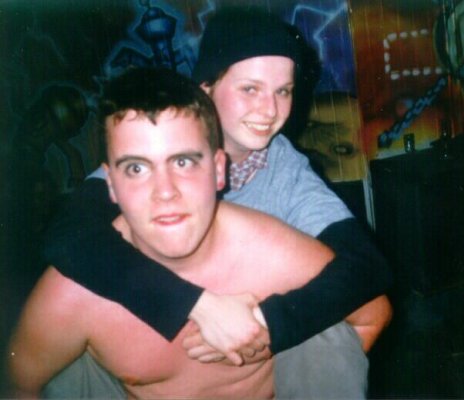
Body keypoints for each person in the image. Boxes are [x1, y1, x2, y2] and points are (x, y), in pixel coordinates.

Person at [42, 7, 393, 398]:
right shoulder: (159, 143)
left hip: (242, 364)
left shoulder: (284, 169)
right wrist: (196, 305)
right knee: (61, 367)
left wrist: (269, 324)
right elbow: (67, 236)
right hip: (146, 353)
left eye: (283, 91)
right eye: (250, 89)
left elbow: (366, 266)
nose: (270, 110)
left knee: (328, 333)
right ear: (206, 89)